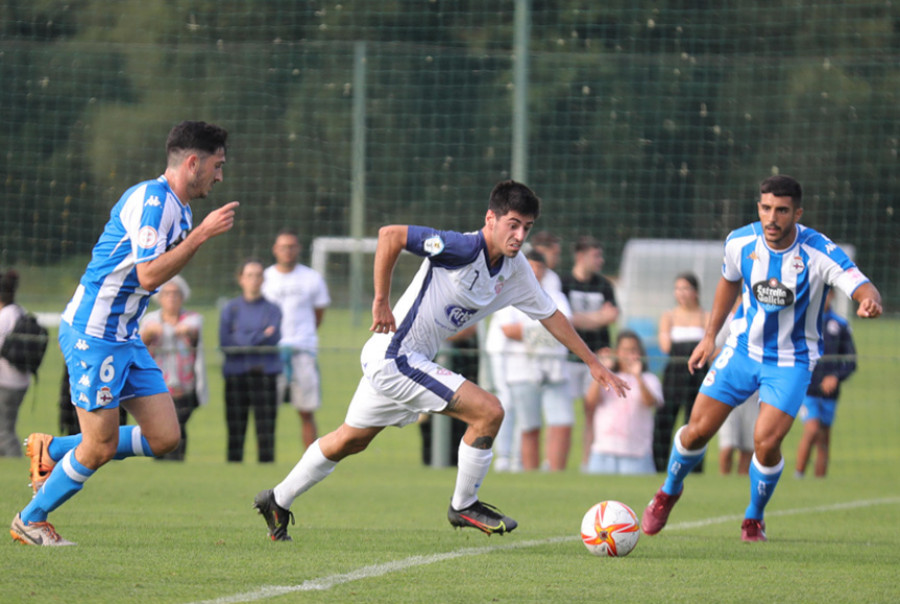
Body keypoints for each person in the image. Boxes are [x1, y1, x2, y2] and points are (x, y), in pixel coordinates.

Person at [252, 180, 629, 541]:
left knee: (350, 440)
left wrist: (594, 363)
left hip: (405, 361)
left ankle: (277, 500)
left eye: (526, 228)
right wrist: (381, 299)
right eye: (512, 225)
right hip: (395, 356)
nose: (519, 235)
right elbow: (390, 235)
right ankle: (464, 505)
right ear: (491, 220)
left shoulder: (516, 271)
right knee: (489, 411)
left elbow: (551, 316)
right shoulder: (460, 248)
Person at [10, 120, 237, 546]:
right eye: (217, 165)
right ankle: (30, 519)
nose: (220, 176)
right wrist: (201, 236)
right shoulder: (154, 202)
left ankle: (52, 449)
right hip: (93, 335)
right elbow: (149, 274)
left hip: (124, 336)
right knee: (98, 447)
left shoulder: (181, 207)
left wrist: (196, 232)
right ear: (193, 162)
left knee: (166, 436)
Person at [642, 174, 882, 543]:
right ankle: (669, 490)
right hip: (741, 351)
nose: (773, 218)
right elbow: (728, 282)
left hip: (792, 361)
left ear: (797, 213)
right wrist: (710, 337)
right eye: (767, 208)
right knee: (697, 431)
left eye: (782, 210)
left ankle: (754, 517)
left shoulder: (818, 251)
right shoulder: (740, 242)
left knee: (765, 443)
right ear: (759, 207)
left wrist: (869, 300)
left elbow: (858, 282)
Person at [494, 250, 574, 471]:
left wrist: (530, 332)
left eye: (540, 267)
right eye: (532, 266)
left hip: (555, 369)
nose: (536, 272)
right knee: (529, 426)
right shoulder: (508, 295)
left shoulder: (556, 296)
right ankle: (531, 474)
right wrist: (548, 331)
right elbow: (508, 330)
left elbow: (567, 328)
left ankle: (556, 474)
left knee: (562, 423)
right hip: (521, 370)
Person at [262, 230, 331, 450]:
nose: (288, 251)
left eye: (292, 246)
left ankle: (310, 460)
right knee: (266, 411)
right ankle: (266, 459)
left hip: (303, 350)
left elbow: (318, 314)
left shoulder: (312, 278)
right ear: (275, 250)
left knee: (306, 410)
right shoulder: (265, 278)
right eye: (283, 247)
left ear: (298, 249)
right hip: (271, 353)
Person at [561, 235, 619, 467]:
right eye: (596, 255)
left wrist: (577, 320)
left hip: (596, 359)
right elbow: (563, 320)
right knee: (563, 416)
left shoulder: (605, 285)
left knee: (592, 412)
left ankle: (587, 463)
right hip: (567, 358)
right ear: (580, 256)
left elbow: (612, 316)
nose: (601, 260)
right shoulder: (564, 283)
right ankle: (556, 464)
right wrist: (598, 318)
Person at [220, 259, 283, 463]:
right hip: (236, 374)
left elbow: (273, 338)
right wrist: (259, 335)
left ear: (263, 279)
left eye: (258, 275)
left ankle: (266, 472)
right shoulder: (231, 309)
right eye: (249, 275)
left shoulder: (272, 309)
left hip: (265, 374)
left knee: (266, 429)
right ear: (240, 279)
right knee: (235, 428)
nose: (254, 280)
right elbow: (226, 342)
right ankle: (233, 468)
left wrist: (242, 336)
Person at [140, 275, 208, 460]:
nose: (171, 298)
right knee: (158, 424)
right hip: (157, 383)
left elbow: (194, 332)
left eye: (176, 294)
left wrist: (183, 331)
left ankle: (176, 458)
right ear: (160, 297)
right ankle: (159, 457)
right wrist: (148, 334)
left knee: (178, 424)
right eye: (167, 294)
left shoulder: (192, 319)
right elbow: (140, 343)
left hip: (184, 384)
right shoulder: (150, 320)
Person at [794, 290, 856, 478]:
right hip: (807, 389)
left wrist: (836, 377)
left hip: (830, 392)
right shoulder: (802, 322)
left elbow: (851, 361)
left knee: (824, 437)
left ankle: (820, 481)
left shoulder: (841, 325)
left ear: (833, 296)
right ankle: (798, 475)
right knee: (812, 429)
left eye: (827, 293)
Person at [584, 330, 663, 474]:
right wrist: (602, 371)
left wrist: (638, 377)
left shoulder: (649, 379)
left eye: (633, 350)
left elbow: (650, 402)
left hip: (637, 454)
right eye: (625, 350)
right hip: (603, 452)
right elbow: (590, 403)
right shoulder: (607, 377)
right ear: (617, 352)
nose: (629, 355)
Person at [653, 272, 708, 472]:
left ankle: (693, 468)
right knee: (664, 419)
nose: (681, 293)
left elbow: (712, 349)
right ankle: (659, 466)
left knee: (695, 423)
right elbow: (666, 346)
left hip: (699, 374)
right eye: (678, 289)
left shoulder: (706, 316)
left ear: (696, 292)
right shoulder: (669, 316)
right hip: (674, 373)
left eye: (686, 288)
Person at [0, 269, 31, 457]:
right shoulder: (20, 311)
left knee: (4, 431)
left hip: (6, 382)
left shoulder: (4, 317)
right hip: (20, 380)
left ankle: (15, 461)